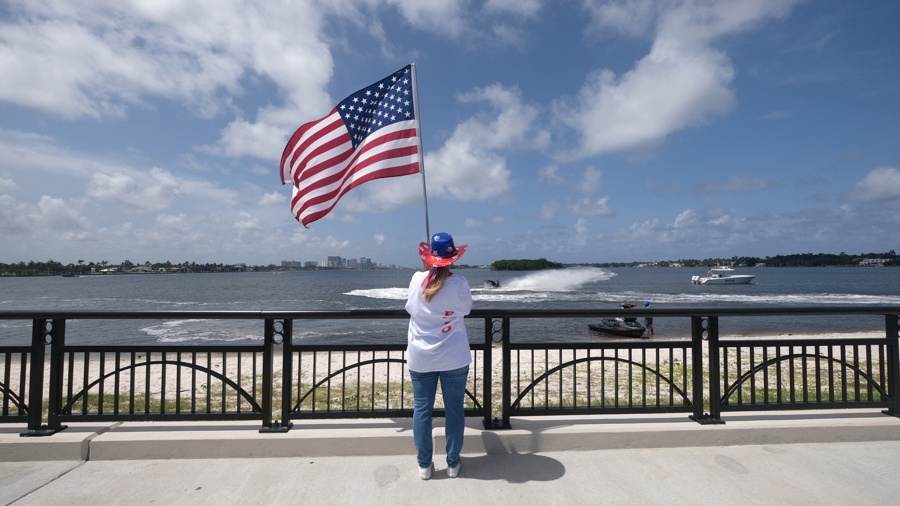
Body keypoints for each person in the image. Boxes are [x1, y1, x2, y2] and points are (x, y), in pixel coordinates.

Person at [405, 232, 473, 480]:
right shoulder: (460, 283)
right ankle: (453, 463)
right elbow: (465, 309)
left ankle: (424, 465)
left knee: (422, 409)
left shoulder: (416, 280)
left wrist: (427, 269)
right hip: (454, 355)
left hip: (421, 357)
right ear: (453, 258)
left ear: (429, 258)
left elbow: (411, 308)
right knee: (455, 409)